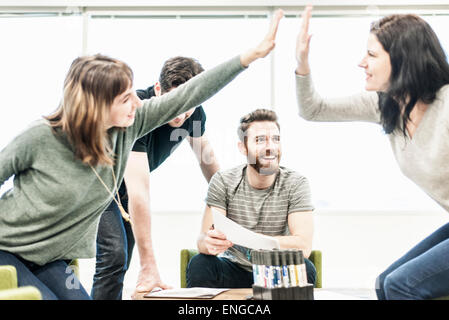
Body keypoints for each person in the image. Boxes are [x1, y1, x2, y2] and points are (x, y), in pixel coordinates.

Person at [0, 9, 284, 300]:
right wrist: (149, 263)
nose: (138, 101)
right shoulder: (40, 137)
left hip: (51, 260)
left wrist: (248, 57)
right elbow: (139, 192)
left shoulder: (130, 124)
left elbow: (190, 95)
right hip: (7, 250)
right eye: (126, 97)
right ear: (96, 105)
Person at [295, 6, 449, 299]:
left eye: (372, 55)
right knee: (384, 283)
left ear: (403, 60)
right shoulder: (384, 105)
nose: (361, 62)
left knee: (401, 285)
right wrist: (302, 64)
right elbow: (313, 109)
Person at [91, 56, 220, 300]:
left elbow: (206, 158)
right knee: (114, 255)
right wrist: (149, 265)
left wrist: (230, 200)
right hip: (99, 185)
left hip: (124, 190)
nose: (182, 113)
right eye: (175, 102)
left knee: (121, 260)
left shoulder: (194, 113)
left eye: (189, 104)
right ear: (158, 90)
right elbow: (139, 191)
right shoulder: (137, 112)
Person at [186, 108, 316, 288]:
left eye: (276, 139)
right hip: (233, 267)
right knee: (200, 264)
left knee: (305, 268)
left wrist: (253, 240)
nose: (270, 147)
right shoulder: (223, 181)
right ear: (243, 147)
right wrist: (209, 243)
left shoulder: (296, 183)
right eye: (260, 140)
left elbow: (303, 247)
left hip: (275, 269)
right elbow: (202, 239)